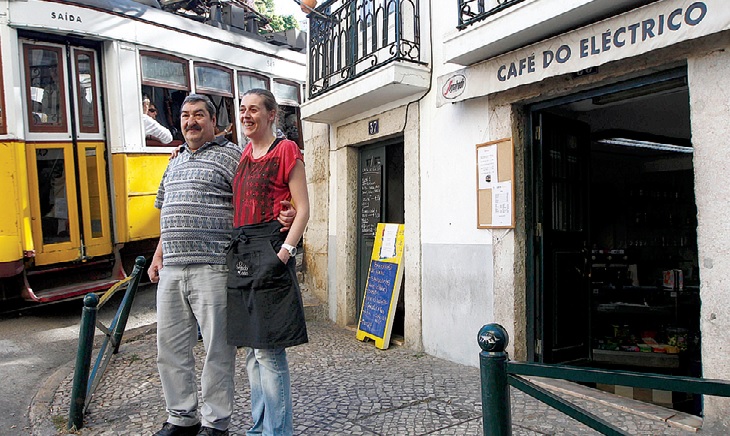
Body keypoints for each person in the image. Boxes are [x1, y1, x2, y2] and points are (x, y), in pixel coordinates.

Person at [148, 93, 295, 436]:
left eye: (199, 115)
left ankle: (216, 423)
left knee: (217, 351)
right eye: (185, 116)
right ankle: (181, 418)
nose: (191, 122)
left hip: (214, 266)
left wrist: (285, 211)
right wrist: (158, 255)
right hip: (172, 268)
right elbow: (167, 213)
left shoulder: (234, 156)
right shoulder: (174, 161)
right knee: (170, 349)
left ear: (213, 122)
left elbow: (262, 190)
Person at [226, 88, 309, 436]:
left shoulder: (286, 150)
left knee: (268, 353)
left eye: (254, 109)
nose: (246, 115)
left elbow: (302, 208)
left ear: (272, 114)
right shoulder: (244, 153)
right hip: (244, 252)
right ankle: (259, 429)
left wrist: (285, 252)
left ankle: (278, 432)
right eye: (242, 109)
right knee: (252, 351)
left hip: (271, 251)